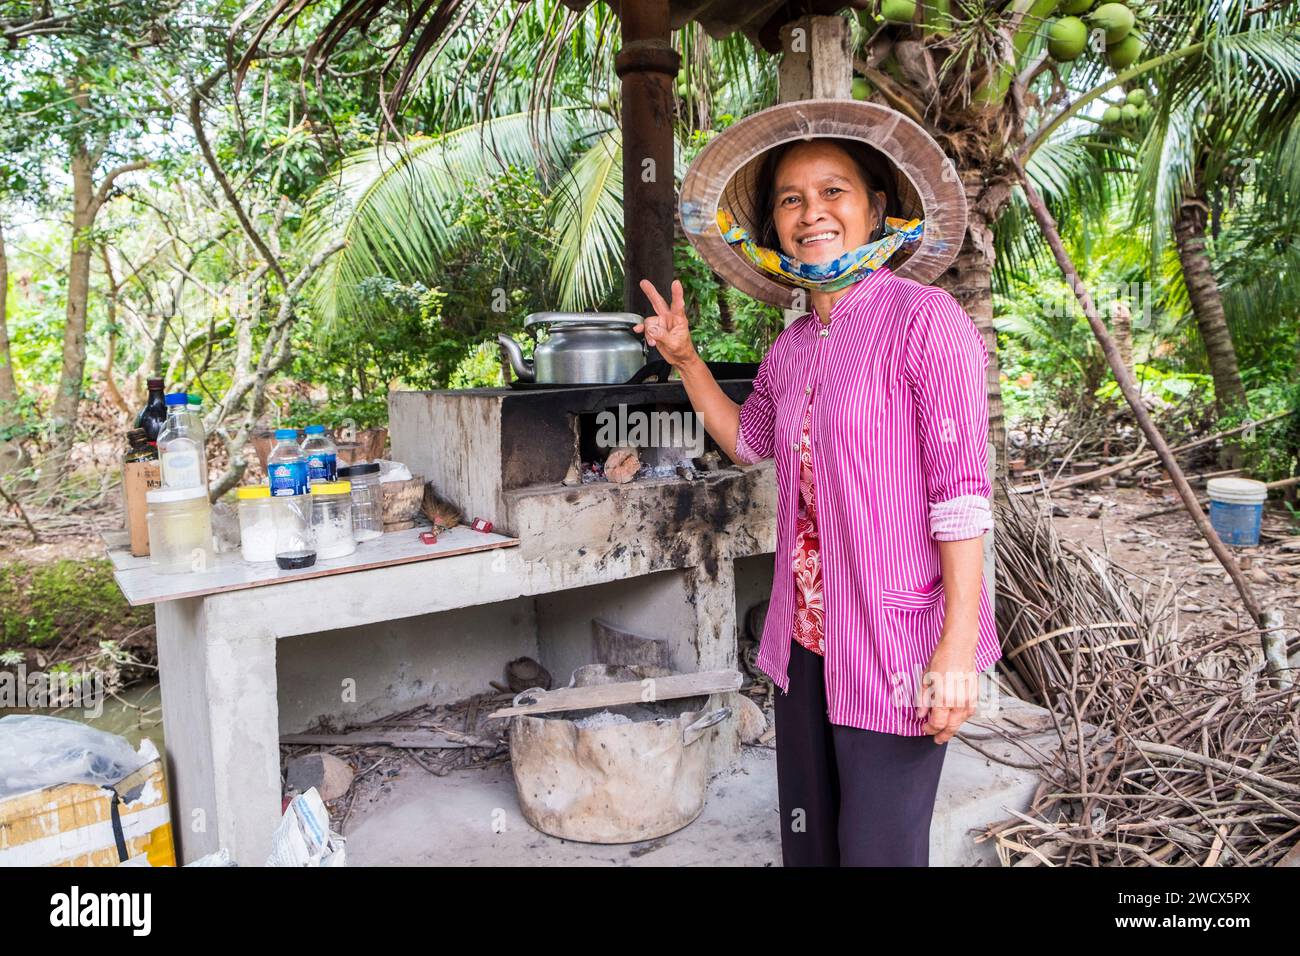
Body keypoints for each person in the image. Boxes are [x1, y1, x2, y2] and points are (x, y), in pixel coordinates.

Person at [637, 100, 1002, 866]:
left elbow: (961, 493)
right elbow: (751, 441)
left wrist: (957, 646)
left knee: (879, 850)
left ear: (878, 208)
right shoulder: (792, 347)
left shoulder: (924, 320)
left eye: (834, 191)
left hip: (897, 639)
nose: (813, 214)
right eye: (791, 200)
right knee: (812, 846)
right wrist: (686, 363)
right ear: (773, 228)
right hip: (805, 642)